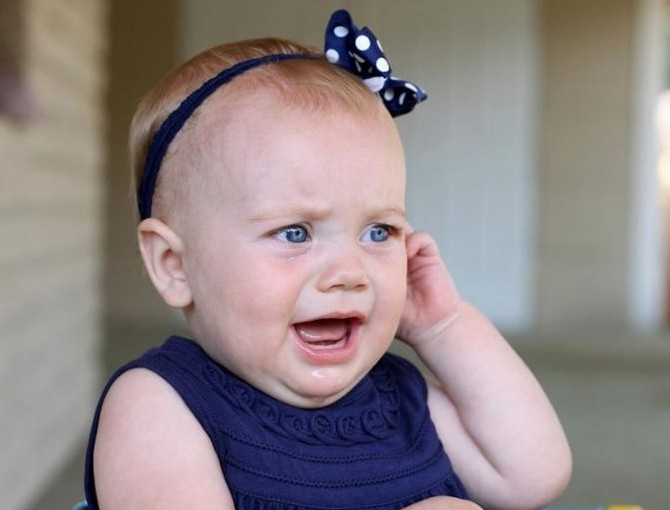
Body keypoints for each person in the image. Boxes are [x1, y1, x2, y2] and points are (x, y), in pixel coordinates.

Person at [83, 9, 571, 510]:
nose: (349, 273)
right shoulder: (160, 405)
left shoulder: (399, 399)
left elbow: (532, 476)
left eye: (379, 232)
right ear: (174, 265)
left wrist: (443, 326)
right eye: (295, 233)